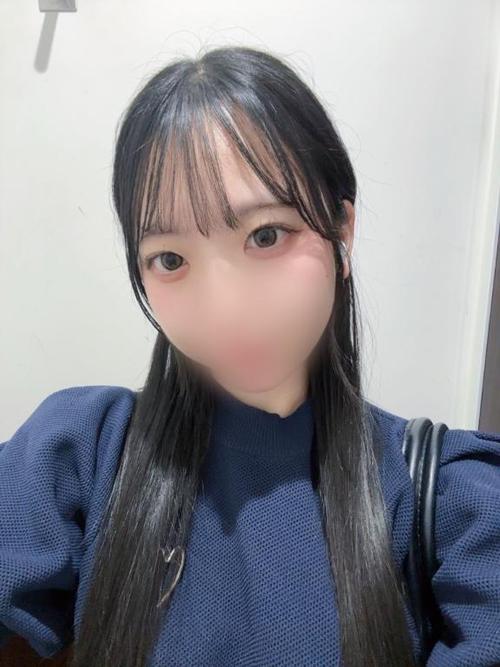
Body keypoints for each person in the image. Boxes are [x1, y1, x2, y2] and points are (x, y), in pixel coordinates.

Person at [1, 45, 499, 667]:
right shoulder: (79, 455)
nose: (226, 307)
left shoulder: (447, 500)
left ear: (343, 231)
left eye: (265, 235)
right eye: (170, 259)